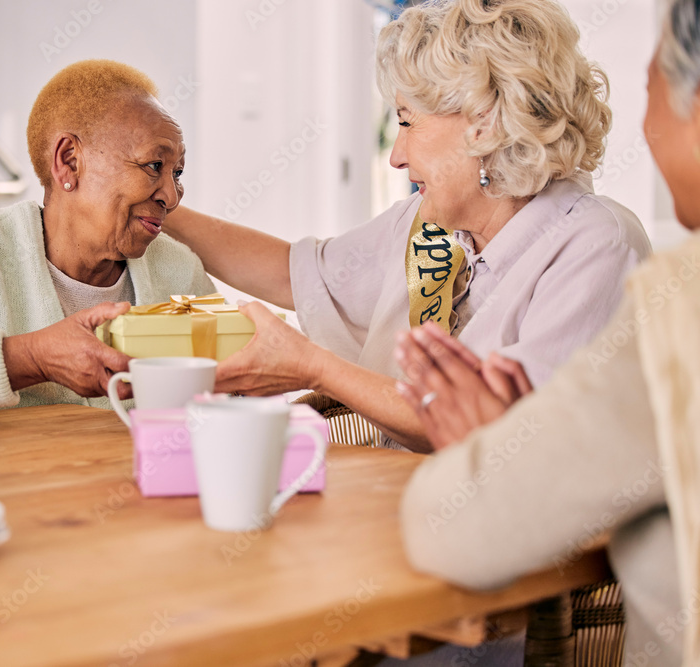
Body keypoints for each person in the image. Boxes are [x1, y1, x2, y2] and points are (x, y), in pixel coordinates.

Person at [161, 0, 650, 452]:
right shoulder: (433, 226)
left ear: (486, 122)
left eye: (408, 122)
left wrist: (313, 366)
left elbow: (497, 435)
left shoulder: (595, 244)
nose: (395, 155)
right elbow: (294, 273)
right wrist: (161, 211)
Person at [392, 1, 700, 663]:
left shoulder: (680, 306)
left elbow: (455, 528)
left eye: (652, 93)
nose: (644, 130)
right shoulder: (439, 234)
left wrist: (488, 454)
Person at [0, 60, 214, 412]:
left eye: (178, 172)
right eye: (154, 166)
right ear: (69, 161)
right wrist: (29, 359)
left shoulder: (180, 272)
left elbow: (222, 398)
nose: (171, 196)